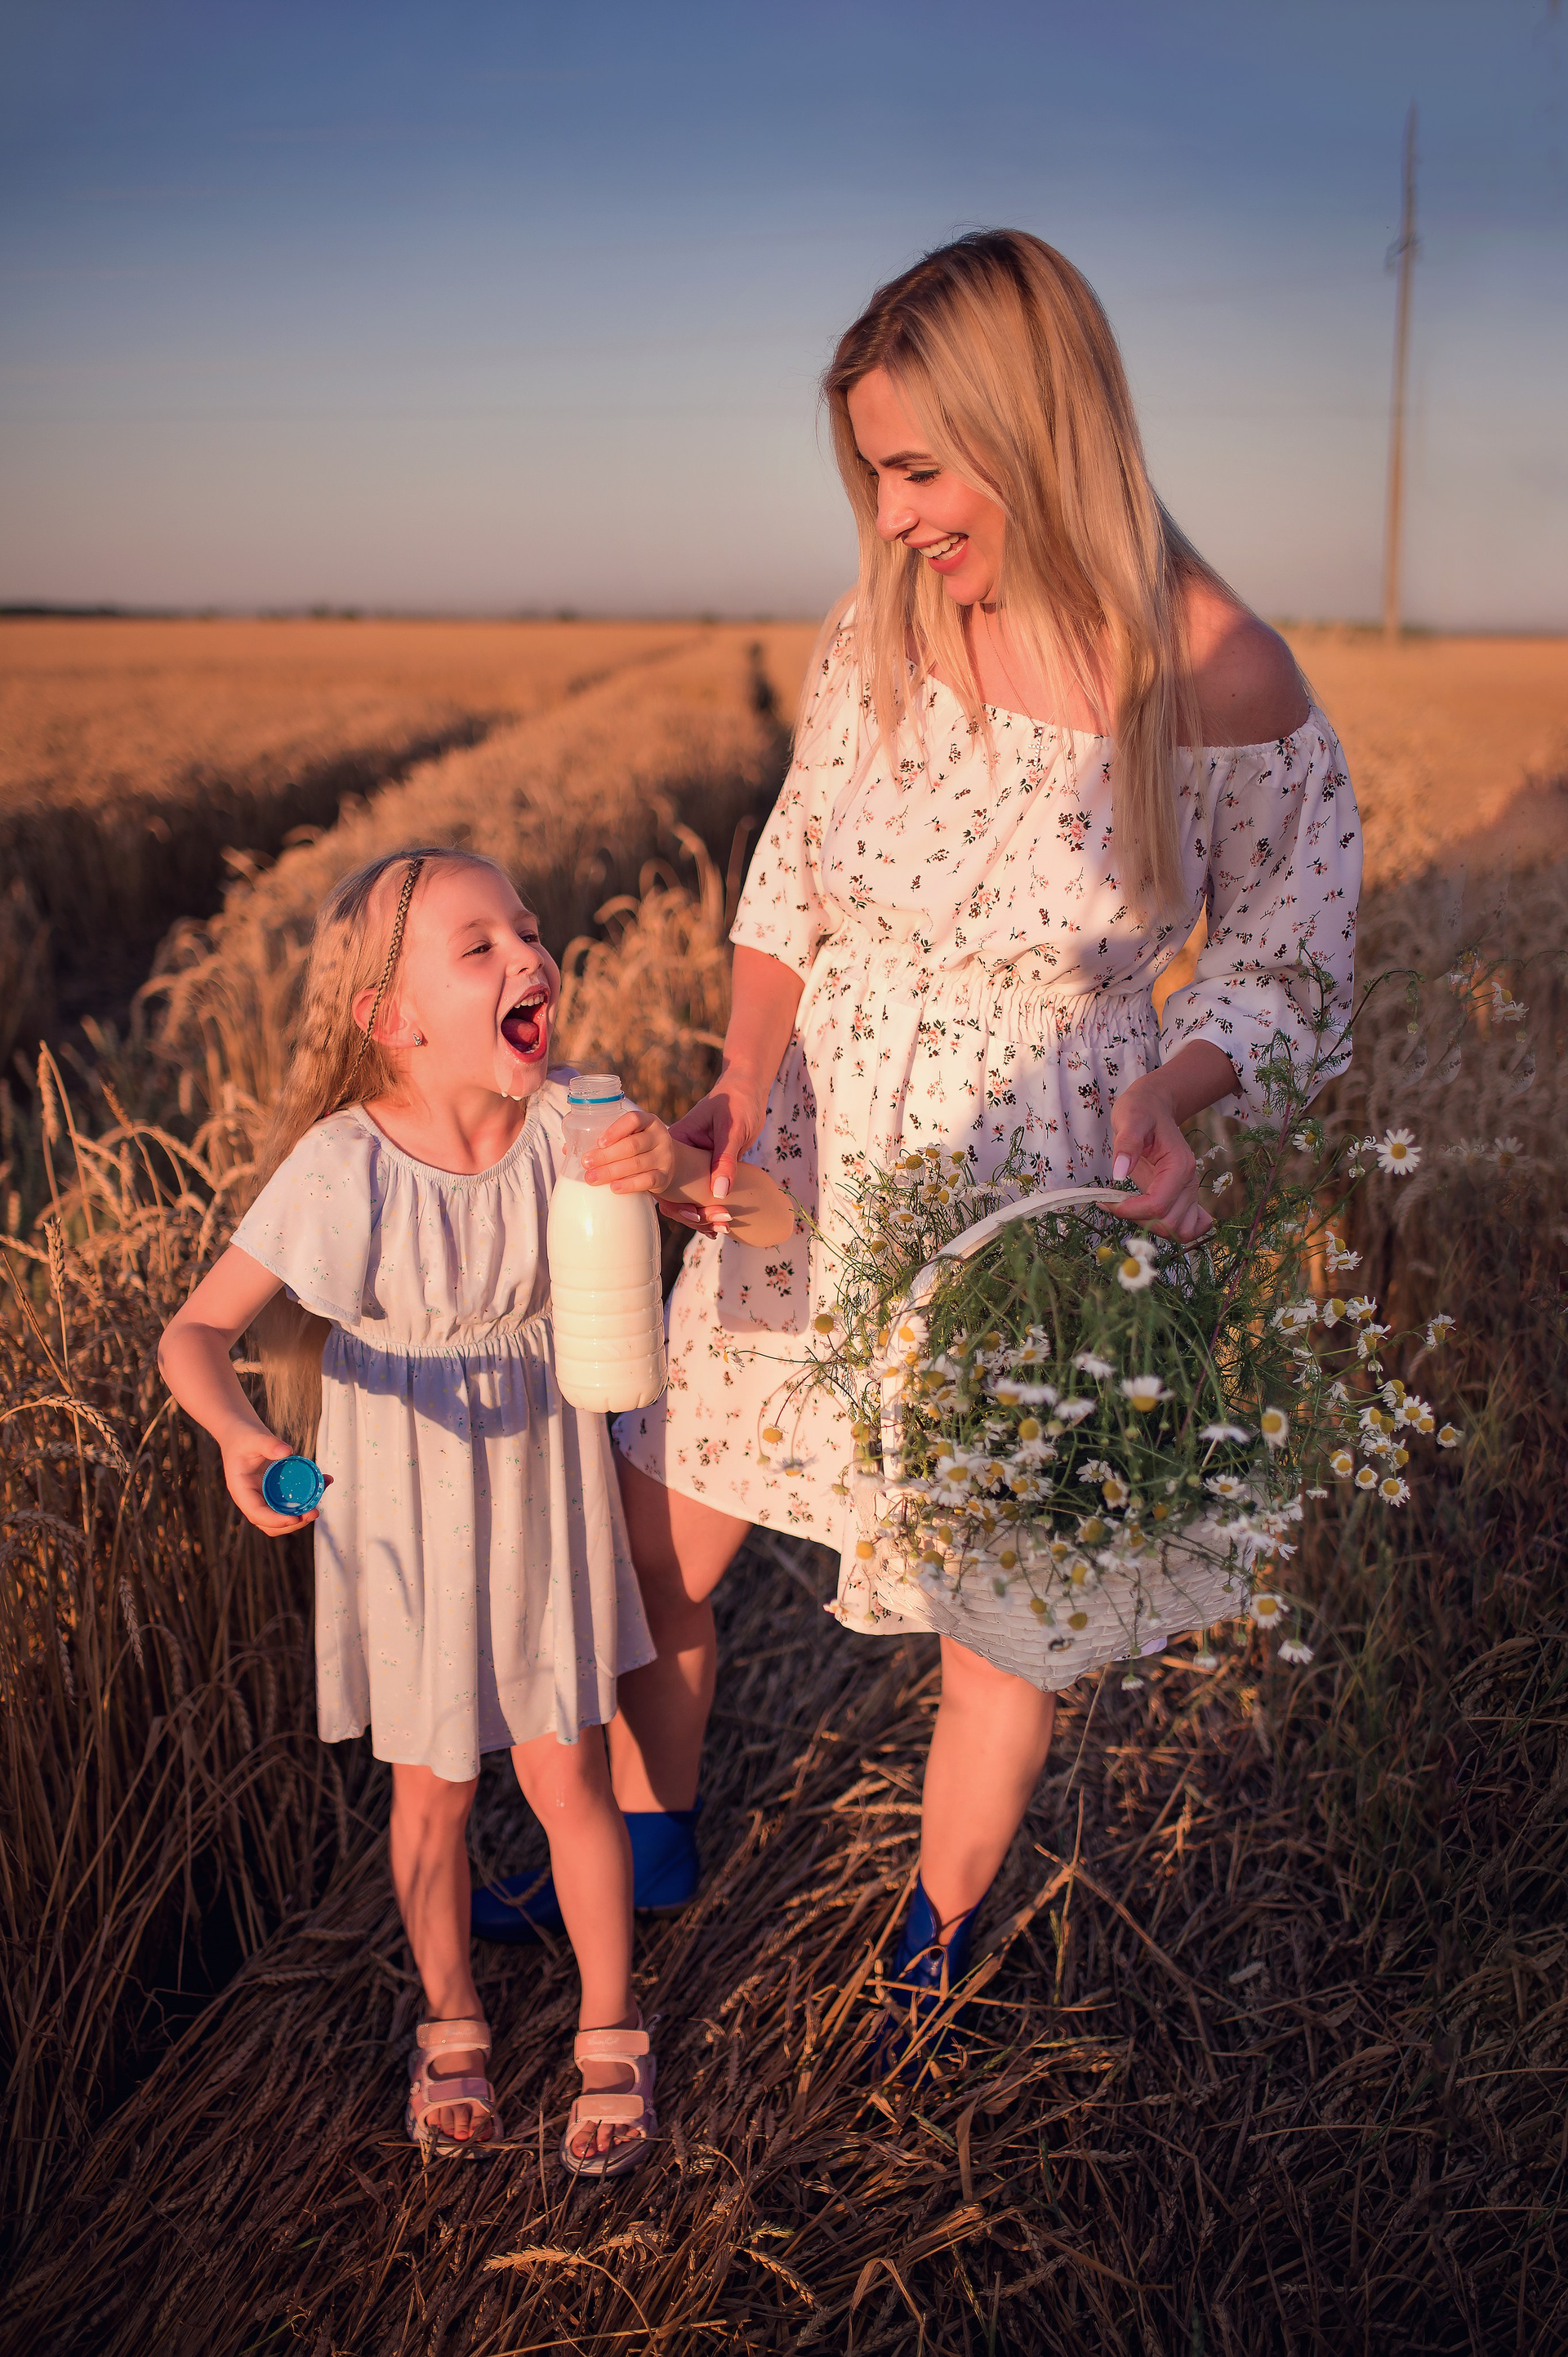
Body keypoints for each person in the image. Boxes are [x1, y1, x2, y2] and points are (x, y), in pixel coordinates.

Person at [518, 231, 1361, 2056]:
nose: (893, 516)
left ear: (1033, 427)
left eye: (918, 469)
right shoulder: (883, 623)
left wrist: (1173, 1097)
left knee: (1000, 1614)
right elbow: (793, 875)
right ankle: (642, 1845)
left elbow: (1292, 957)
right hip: (814, 1151)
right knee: (663, 1535)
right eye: (873, 475)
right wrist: (741, 1081)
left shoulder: (1220, 675)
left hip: (1032, 1182)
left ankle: (934, 1944)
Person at [157, 845, 780, 2170]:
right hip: (403, 1517)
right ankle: (451, 2018)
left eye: (529, 930)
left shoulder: (576, 1123)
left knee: (569, 1770)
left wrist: (673, 1162)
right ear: (393, 1018)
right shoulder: (342, 1167)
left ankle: (611, 2023)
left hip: (542, 1495)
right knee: (432, 1789)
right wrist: (242, 1436)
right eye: (480, 945)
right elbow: (193, 1335)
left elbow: (745, 1211)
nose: (529, 956)